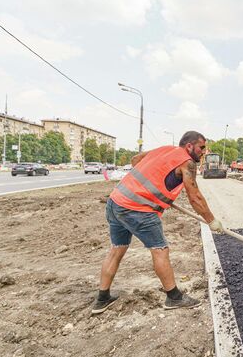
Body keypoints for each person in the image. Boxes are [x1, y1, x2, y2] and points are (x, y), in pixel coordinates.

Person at [92, 131, 225, 315]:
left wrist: (157, 190)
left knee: (117, 249)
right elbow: (195, 197)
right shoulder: (187, 162)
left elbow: (135, 159)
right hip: (138, 209)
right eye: (201, 147)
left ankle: (102, 298)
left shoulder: (165, 150)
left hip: (116, 202)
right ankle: (174, 297)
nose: (203, 151)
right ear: (189, 146)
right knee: (160, 249)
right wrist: (211, 221)